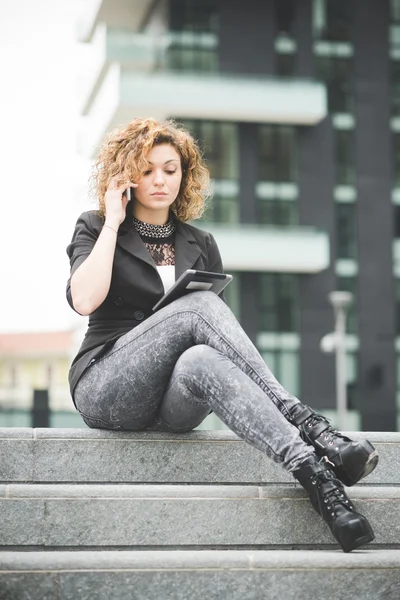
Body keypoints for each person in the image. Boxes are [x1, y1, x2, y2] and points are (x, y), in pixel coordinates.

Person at [66, 117, 378, 553]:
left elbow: (218, 342)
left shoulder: (200, 242)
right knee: (199, 306)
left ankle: (320, 482)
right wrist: (114, 222)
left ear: (184, 175)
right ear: (126, 175)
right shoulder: (96, 226)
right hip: (107, 385)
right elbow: (83, 300)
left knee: (203, 359)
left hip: (173, 401)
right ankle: (311, 424)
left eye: (170, 170)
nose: (159, 180)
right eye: (147, 169)